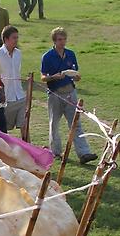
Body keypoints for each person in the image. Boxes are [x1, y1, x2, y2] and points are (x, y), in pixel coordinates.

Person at [41, 27, 97, 164]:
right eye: (60, 39)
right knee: (54, 123)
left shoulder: (70, 54)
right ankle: (55, 152)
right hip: (55, 93)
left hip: (70, 92)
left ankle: (84, 153)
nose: (62, 42)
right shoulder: (47, 57)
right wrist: (53, 77)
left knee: (75, 123)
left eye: (64, 39)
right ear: (54, 41)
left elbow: (75, 72)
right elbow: (43, 77)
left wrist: (77, 77)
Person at [0, 26, 26, 135]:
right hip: (6, 98)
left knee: (24, 125)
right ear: (6, 39)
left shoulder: (18, 53)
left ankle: (28, 148)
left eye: (17, 37)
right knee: (3, 129)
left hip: (20, 96)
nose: (16, 40)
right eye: (14, 38)